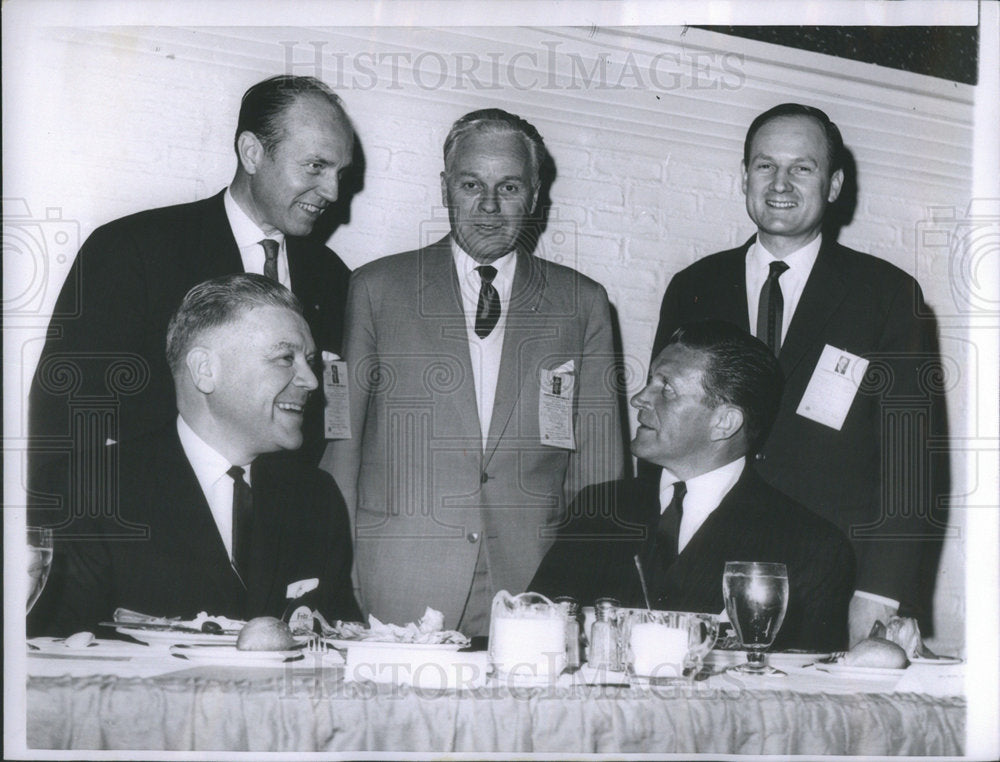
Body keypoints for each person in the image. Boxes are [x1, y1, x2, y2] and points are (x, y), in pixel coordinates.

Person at [650, 103, 946, 645]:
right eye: (765, 166)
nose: (780, 183)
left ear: (833, 185)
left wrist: (881, 593)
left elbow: (912, 463)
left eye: (802, 168)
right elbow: (663, 434)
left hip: (833, 585)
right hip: (702, 574)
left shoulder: (885, 297)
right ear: (744, 177)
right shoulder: (694, 285)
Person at [324, 109, 624, 635]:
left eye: (508, 187)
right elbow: (341, 448)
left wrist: (586, 589)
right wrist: (335, 576)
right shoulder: (376, 290)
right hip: (395, 583)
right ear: (445, 188)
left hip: (535, 592)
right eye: (470, 185)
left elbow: (600, 478)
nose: (488, 207)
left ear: (535, 195)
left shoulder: (583, 304)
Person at [27, 74, 354, 538]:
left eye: (340, 173)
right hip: (143, 531)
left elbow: (327, 419)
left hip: (272, 543)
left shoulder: (333, 278)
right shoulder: (133, 249)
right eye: (316, 166)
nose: (333, 192)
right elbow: (63, 414)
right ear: (252, 152)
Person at [33, 274, 361, 637]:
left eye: (309, 360)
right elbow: (53, 657)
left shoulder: (315, 497)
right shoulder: (86, 489)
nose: (311, 381)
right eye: (286, 358)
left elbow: (340, 642)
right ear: (205, 371)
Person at [530, 320, 855, 652]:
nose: (640, 399)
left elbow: (808, 693)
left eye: (666, 388)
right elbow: (535, 634)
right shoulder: (598, 509)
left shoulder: (810, 547)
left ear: (724, 422)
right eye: (649, 382)